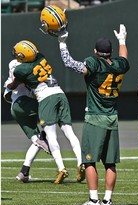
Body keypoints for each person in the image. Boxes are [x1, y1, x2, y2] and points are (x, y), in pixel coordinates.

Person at [56, 24, 129, 205]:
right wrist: (122, 40)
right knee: (110, 163)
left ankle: (94, 200)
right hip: (112, 116)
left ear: (95, 51)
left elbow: (70, 64)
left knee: (89, 160)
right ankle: (108, 201)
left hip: (95, 117)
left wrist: (62, 43)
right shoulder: (119, 65)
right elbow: (123, 58)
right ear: (110, 52)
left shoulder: (94, 63)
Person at [6, 40, 85, 184]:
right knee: (69, 132)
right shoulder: (41, 57)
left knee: (50, 135)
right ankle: (81, 162)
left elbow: (13, 85)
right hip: (60, 93)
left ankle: (61, 168)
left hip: (46, 98)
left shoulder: (20, 70)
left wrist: (7, 84)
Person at [3, 59, 51, 183]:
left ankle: (24, 172)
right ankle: (61, 164)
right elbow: (13, 84)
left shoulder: (23, 66)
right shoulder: (18, 65)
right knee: (52, 113)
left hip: (17, 107)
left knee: (37, 139)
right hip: (22, 104)